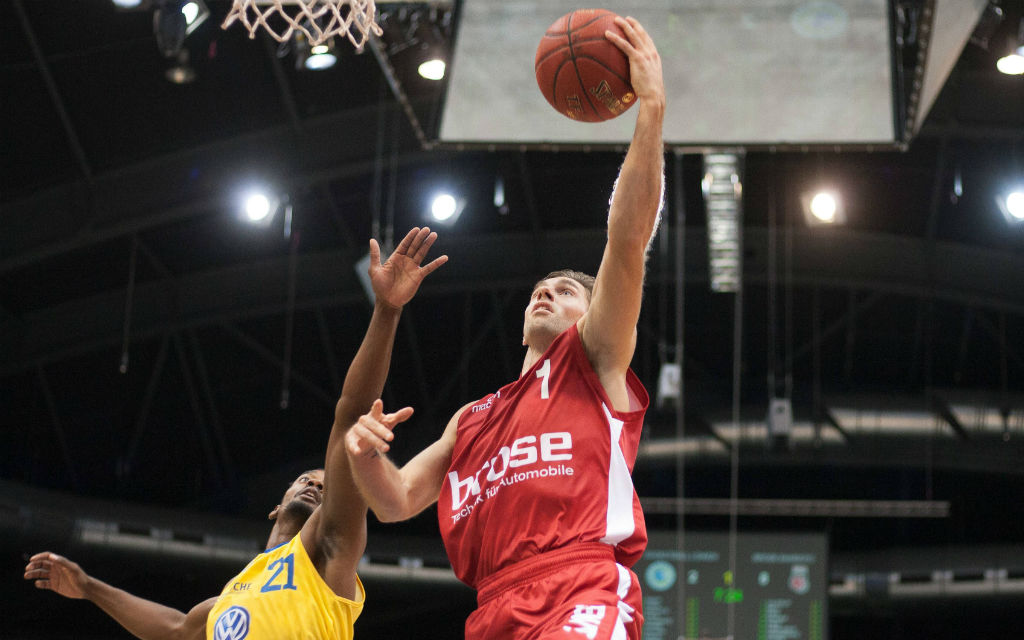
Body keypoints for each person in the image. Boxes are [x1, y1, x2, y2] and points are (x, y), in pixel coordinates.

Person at [344, 16, 664, 640]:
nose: (545, 292)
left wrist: (649, 107)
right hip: (493, 608)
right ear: (521, 325)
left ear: (591, 315)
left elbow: (626, 241)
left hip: (580, 584)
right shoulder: (471, 420)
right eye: (539, 290)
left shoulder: (593, 361)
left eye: (567, 291)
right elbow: (395, 500)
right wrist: (363, 455)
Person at [23, 227, 447, 640]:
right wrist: (87, 587)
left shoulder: (327, 548)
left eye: (325, 484)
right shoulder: (231, 597)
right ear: (274, 509)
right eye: (306, 480)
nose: (316, 486)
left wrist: (387, 311)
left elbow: (350, 415)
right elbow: (175, 629)